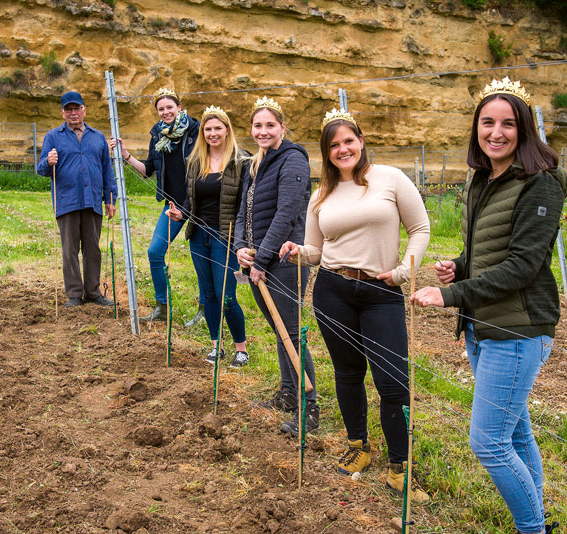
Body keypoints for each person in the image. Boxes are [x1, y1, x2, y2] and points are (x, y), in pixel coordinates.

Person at [411, 77, 567, 534]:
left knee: (489, 443)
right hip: (485, 326)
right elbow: (490, 251)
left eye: (507, 123)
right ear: (476, 128)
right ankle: (538, 520)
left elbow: (522, 266)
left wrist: (449, 295)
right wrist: (459, 267)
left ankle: (532, 528)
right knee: (516, 434)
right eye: (487, 123)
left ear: (524, 129)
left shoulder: (540, 184)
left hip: (519, 329)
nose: (496, 132)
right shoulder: (485, 178)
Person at [279, 109, 431, 502]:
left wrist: (403, 272)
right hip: (333, 289)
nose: (342, 149)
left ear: (361, 141)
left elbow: (420, 228)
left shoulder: (390, 179)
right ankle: (358, 447)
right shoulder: (321, 194)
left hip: (381, 292)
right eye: (334, 145)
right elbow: (316, 251)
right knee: (348, 373)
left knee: (392, 381)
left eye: (348, 141)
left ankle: (400, 468)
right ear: (327, 153)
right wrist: (297, 251)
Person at [234, 96, 319, 435]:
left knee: (292, 333)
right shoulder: (255, 164)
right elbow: (244, 213)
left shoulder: (293, 160)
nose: (263, 131)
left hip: (285, 260)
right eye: (258, 125)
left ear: (283, 127)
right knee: (278, 329)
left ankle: (309, 407)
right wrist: (241, 248)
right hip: (259, 260)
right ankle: (287, 391)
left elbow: (285, 215)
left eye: (270, 125)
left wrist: (263, 259)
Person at [167, 106, 250, 367]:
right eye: (208, 129)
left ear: (227, 131)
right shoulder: (195, 161)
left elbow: (244, 204)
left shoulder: (241, 162)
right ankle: (217, 346)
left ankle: (241, 349)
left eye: (218, 128)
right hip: (198, 236)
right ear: (202, 132)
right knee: (208, 294)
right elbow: (191, 200)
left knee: (227, 295)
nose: (212, 133)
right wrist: (181, 213)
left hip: (225, 237)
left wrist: (242, 241)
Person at [110, 88, 201, 323]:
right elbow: (148, 170)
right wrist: (126, 155)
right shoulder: (157, 135)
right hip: (172, 206)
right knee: (155, 252)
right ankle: (162, 307)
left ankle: (204, 310)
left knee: (202, 257)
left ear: (179, 107)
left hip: (199, 202)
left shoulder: (196, 131)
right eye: (161, 109)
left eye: (170, 107)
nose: (165, 112)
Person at [38, 90, 117, 308]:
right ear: (63, 113)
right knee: (69, 249)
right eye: (68, 109)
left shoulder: (97, 137)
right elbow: (40, 169)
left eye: (77, 108)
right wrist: (48, 161)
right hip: (67, 201)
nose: (73, 113)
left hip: (92, 200)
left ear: (84, 110)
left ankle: (93, 291)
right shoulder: (53, 137)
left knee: (92, 247)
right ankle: (74, 293)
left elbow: (106, 169)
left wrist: (111, 197)